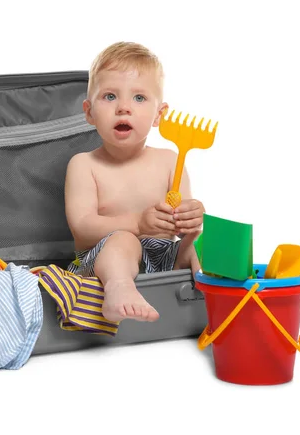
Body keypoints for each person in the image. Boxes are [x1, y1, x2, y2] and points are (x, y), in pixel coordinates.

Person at [64, 41, 205, 324]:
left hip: (165, 260)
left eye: (139, 98)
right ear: (89, 112)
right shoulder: (84, 165)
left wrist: (191, 216)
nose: (124, 108)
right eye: (110, 97)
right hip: (101, 263)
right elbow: (82, 229)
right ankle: (119, 290)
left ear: (159, 114)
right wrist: (138, 224)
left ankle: (214, 297)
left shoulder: (170, 161)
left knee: (201, 241)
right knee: (124, 240)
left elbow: (181, 228)